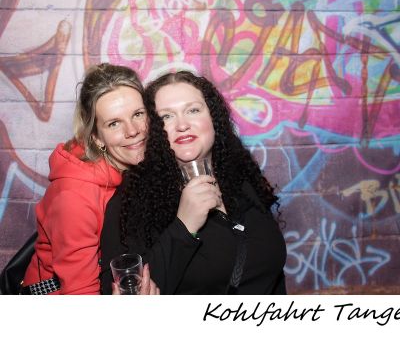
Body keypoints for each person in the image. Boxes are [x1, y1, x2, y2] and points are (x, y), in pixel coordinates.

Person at [100, 70, 287, 294]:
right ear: (153, 129)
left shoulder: (242, 179)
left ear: (213, 117)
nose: (182, 125)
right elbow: (130, 292)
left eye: (193, 110)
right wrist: (184, 226)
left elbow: (273, 276)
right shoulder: (132, 202)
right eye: (166, 117)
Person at [22, 63, 158, 295]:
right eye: (114, 123)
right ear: (96, 137)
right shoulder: (74, 196)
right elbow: (79, 293)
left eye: (138, 114)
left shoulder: (137, 168)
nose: (132, 130)